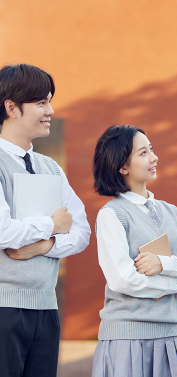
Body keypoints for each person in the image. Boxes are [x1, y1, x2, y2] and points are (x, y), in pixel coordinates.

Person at [92, 125, 177, 377]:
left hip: (169, 336)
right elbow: (122, 279)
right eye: (143, 152)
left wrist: (163, 264)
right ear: (123, 167)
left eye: (151, 149)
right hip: (126, 338)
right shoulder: (112, 215)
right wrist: (172, 285)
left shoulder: (174, 213)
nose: (154, 157)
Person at [0, 64, 91, 377]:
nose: (50, 110)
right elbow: (3, 233)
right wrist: (52, 225)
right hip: (4, 308)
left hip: (46, 308)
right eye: (41, 103)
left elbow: (81, 231)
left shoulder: (50, 167)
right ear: (11, 107)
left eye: (49, 101)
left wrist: (40, 247)